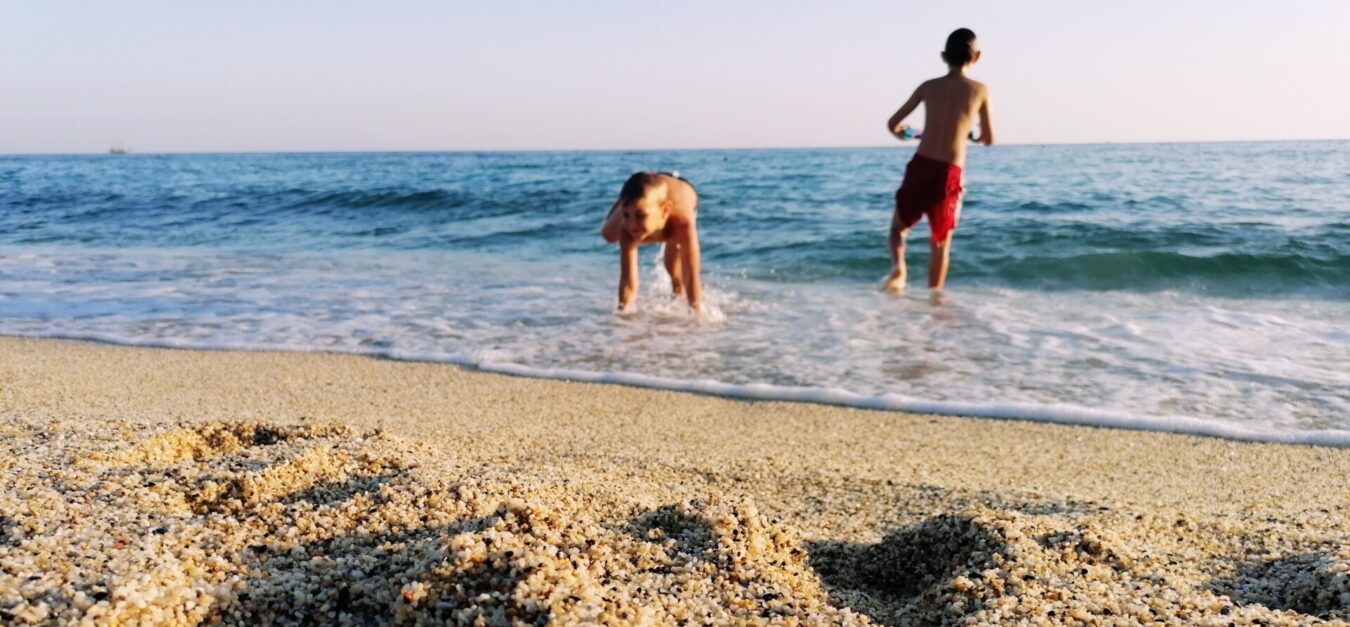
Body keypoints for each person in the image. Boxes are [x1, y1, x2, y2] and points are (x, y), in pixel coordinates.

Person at [883, 28, 995, 293]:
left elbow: (893, 123)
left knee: (898, 229)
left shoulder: (928, 87)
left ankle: (899, 268)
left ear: (944, 56)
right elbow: (989, 138)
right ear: (976, 57)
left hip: (921, 164)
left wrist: (902, 134)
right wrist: (975, 137)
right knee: (940, 243)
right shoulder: (980, 91)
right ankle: (935, 299)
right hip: (949, 172)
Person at [600, 171, 703, 312]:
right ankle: (626, 201)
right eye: (626, 215)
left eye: (640, 216)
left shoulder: (683, 223)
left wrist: (696, 312)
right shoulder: (627, 225)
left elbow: (691, 276)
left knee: (674, 266)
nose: (631, 224)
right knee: (608, 235)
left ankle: (677, 292)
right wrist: (622, 317)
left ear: (665, 210)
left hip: (682, 190)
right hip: (651, 187)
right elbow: (628, 282)